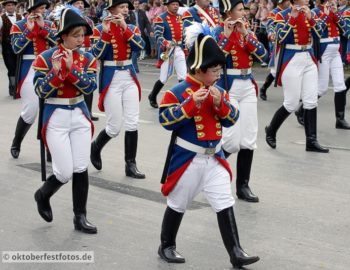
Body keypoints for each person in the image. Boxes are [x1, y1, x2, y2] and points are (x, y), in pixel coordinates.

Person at [157, 29, 260, 268]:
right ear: (200, 69)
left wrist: (219, 103)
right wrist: (190, 105)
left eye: (219, 70)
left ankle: (236, 251)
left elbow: (232, 118)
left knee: (225, 201)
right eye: (214, 70)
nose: (219, 74)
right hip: (188, 158)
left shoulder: (219, 91)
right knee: (178, 203)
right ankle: (166, 245)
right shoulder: (178, 91)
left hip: (215, 158)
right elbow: (165, 120)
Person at [32, 8, 98, 234]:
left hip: (79, 114)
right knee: (64, 171)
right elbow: (40, 90)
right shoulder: (45, 58)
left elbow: (90, 86)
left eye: (83, 35)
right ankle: (42, 194)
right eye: (76, 35)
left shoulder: (88, 58)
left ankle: (80, 217)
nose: (81, 39)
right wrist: (57, 72)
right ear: (63, 35)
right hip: (56, 116)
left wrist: (71, 71)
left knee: (81, 167)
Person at [216, 0, 268, 202]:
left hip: (248, 84)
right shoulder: (217, 31)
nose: (243, 13)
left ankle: (243, 186)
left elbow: (264, 54)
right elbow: (215, 59)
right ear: (228, 12)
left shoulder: (247, 31)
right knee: (230, 140)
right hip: (229, 86)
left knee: (249, 138)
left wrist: (246, 34)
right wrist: (228, 36)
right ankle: (210, 172)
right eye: (239, 9)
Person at [90, 0, 146, 179]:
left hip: (129, 75)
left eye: (126, 8)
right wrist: (106, 34)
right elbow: (95, 55)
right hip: (111, 77)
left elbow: (141, 46)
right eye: (122, 7)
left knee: (132, 121)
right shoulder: (100, 28)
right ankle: (96, 146)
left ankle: (131, 164)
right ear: (112, 9)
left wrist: (125, 27)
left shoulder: (131, 28)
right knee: (114, 126)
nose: (125, 10)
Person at [265, 0, 329, 152]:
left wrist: (311, 18)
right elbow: (280, 38)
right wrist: (292, 18)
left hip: (308, 56)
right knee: (291, 103)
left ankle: (311, 141)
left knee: (311, 101)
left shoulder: (310, 12)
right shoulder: (282, 15)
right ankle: (271, 130)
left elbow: (321, 33)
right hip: (291, 58)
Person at [10, 0, 56, 159]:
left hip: (49, 68)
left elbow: (58, 44)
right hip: (29, 69)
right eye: (41, 7)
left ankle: (50, 149)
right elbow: (16, 49)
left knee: (52, 109)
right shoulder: (18, 25)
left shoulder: (49, 24)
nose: (43, 10)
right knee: (30, 110)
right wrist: (29, 31)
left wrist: (42, 28)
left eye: (44, 8)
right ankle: (17, 141)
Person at [310, 0, 349, 129]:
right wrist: (326, 14)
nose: (335, 1)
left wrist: (336, 13)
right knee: (322, 88)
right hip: (324, 51)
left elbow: (346, 29)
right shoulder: (315, 11)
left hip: (336, 50)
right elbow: (317, 30)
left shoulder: (336, 11)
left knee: (340, 85)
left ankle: (340, 119)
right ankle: (302, 110)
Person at [148, 0, 187, 108]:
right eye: (173, 4)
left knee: (183, 76)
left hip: (179, 49)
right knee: (164, 77)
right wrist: (166, 42)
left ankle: (182, 99)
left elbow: (184, 34)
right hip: (168, 50)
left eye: (177, 4)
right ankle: (152, 96)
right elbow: (157, 35)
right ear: (168, 6)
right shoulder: (161, 18)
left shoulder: (181, 17)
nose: (175, 6)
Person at [68, 0, 99, 121]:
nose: (80, 5)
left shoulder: (89, 21)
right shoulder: (65, 19)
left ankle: (88, 111)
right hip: (72, 51)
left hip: (86, 52)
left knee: (88, 81)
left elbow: (91, 38)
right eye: (77, 3)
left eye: (82, 3)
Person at [259, 0, 290, 100]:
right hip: (279, 45)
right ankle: (263, 88)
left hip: (290, 44)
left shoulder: (291, 11)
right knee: (275, 71)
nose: (289, 2)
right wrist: (271, 34)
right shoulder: (275, 12)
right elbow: (270, 26)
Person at [0, 0, 22, 97]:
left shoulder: (21, 17)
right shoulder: (1, 18)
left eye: (12, 5)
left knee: (18, 67)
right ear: (5, 7)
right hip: (7, 48)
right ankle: (13, 87)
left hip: (19, 47)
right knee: (11, 68)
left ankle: (18, 86)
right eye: (8, 5)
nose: (10, 7)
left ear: (15, 6)